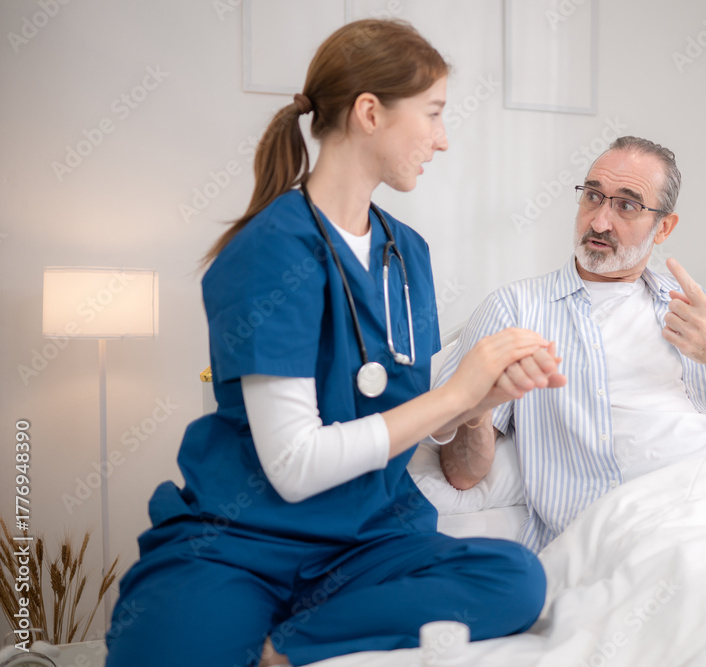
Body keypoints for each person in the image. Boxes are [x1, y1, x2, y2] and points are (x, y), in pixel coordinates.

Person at [104, 19, 562, 667]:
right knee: (157, 651)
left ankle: (279, 643)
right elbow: (293, 465)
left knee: (514, 577)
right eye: (432, 114)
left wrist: (477, 400)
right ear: (370, 113)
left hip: (369, 539)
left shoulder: (408, 255)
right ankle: (237, 610)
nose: (442, 138)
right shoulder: (270, 251)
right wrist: (452, 391)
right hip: (245, 537)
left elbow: (387, 408)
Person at [437, 136, 706, 553]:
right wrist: (477, 408)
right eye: (593, 196)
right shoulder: (517, 309)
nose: (599, 222)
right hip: (626, 535)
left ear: (664, 227)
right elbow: (462, 474)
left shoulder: (693, 307)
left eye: (626, 205)